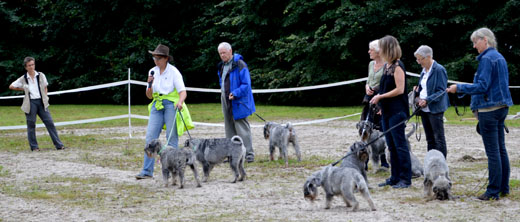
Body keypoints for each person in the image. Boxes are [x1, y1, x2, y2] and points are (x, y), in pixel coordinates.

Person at [447, 28, 512, 200]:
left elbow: (482, 86)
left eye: (475, 42)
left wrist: (459, 88)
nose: (474, 46)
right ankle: (503, 188)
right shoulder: (500, 57)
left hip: (489, 110)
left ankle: (492, 191)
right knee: (500, 149)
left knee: (493, 152)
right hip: (502, 107)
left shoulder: (487, 59)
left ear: (485, 40)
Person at [136, 44, 193, 179]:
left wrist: (180, 102)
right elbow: (149, 96)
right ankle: (147, 171)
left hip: (170, 105)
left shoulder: (174, 72)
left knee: (171, 137)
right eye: (154, 58)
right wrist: (149, 85)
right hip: (157, 105)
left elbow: (183, 92)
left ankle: (173, 170)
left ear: (166, 58)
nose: (156, 61)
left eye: (158, 58)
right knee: (150, 137)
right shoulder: (152, 71)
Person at [370, 35, 412, 189]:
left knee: (400, 145)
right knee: (391, 145)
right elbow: (386, 87)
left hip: (397, 111)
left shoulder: (398, 66)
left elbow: (400, 90)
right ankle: (394, 177)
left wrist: (381, 96)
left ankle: (405, 178)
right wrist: (377, 93)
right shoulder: (387, 66)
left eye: (381, 47)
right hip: (386, 111)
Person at [9, 57, 66, 151]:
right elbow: (11, 86)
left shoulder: (41, 75)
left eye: (33, 64)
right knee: (31, 125)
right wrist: (23, 88)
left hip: (42, 102)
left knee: (50, 123)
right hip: (31, 103)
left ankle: (59, 145)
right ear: (26, 67)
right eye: (29, 65)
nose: (31, 67)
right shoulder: (23, 78)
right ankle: (34, 147)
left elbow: (45, 87)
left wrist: (46, 97)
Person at [217, 42, 255, 163]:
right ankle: (231, 154)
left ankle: (249, 154)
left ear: (230, 51)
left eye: (224, 52)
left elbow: (246, 84)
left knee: (241, 127)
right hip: (225, 98)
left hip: (239, 99)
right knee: (229, 126)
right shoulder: (221, 66)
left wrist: (236, 93)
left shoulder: (240, 64)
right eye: (220, 53)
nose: (222, 55)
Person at [413, 45, 449, 158]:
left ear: (428, 57)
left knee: (438, 138)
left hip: (435, 109)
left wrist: (427, 100)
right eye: (417, 59)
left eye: (420, 59)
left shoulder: (439, 70)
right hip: (423, 109)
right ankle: (431, 161)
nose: (418, 62)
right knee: (429, 138)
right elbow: (424, 87)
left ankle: (441, 162)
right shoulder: (423, 71)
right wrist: (417, 92)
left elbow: (441, 91)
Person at [361, 39, 389, 169]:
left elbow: (386, 85)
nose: (368, 52)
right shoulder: (371, 64)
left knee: (381, 130)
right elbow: (368, 79)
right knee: (366, 129)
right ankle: (365, 160)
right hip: (369, 100)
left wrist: (382, 104)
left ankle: (383, 160)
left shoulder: (387, 66)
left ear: (378, 51)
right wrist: (367, 86)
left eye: (371, 50)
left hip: (380, 100)